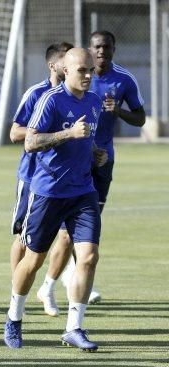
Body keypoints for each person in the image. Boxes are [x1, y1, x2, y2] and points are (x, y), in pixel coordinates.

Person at [4, 48, 105, 352]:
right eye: (81, 71)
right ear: (65, 71)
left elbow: (87, 139)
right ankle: (14, 317)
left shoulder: (95, 101)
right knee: (33, 260)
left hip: (83, 192)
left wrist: (94, 153)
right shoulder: (50, 100)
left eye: (91, 70)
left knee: (88, 257)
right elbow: (31, 141)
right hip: (48, 192)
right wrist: (69, 134)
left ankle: (74, 328)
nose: (88, 76)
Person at [55, 30, 146, 305]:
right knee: (63, 226)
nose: (101, 52)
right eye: (97, 47)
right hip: (71, 159)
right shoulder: (78, 75)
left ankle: (73, 274)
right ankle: (66, 275)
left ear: (114, 49)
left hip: (102, 159)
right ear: (90, 49)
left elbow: (140, 118)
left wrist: (118, 111)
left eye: (106, 47)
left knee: (88, 221)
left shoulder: (124, 80)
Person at [9, 42, 73, 317]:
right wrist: (50, 131)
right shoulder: (36, 94)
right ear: (53, 65)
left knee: (66, 235)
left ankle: (47, 288)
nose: (70, 66)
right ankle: (18, 287)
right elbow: (14, 133)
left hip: (66, 179)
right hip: (33, 176)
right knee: (25, 237)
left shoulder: (79, 95)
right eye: (65, 61)